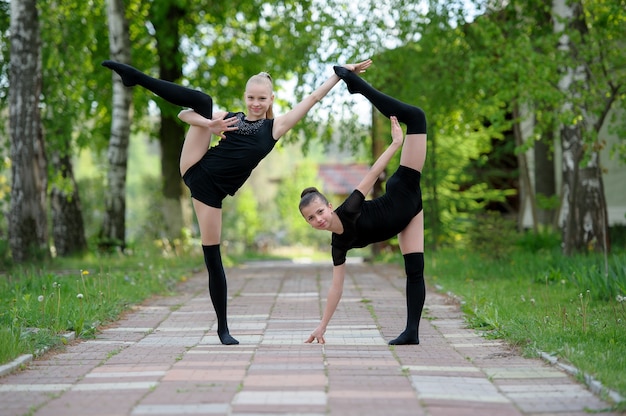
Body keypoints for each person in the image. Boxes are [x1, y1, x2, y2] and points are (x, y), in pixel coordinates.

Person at [102, 58, 373, 345]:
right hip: (195, 165)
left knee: (213, 257)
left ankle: (222, 329)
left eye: (261, 98)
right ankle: (135, 77)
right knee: (202, 101)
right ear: (245, 97)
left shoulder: (274, 128)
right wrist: (211, 124)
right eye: (251, 97)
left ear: (271, 99)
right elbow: (184, 115)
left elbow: (314, 98)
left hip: (210, 193)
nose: (255, 103)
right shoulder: (231, 118)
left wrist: (340, 75)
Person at [298, 65, 427, 345]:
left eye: (319, 211)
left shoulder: (351, 207)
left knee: (417, 117)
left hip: (404, 189)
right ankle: (412, 333)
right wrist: (322, 326)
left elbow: (370, 175)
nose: (318, 219)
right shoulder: (338, 246)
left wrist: (395, 144)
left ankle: (358, 86)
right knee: (415, 270)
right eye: (311, 218)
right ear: (308, 223)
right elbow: (336, 288)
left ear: (329, 206)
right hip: (410, 215)